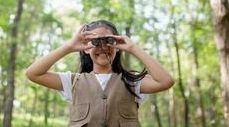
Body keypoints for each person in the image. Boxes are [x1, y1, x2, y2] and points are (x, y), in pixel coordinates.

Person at [25, 19, 174, 127]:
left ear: (117, 46)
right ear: (86, 48)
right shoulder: (72, 81)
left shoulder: (131, 81)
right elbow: (33, 73)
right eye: (96, 42)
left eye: (108, 41)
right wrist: (69, 46)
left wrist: (133, 48)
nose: (102, 47)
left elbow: (166, 81)